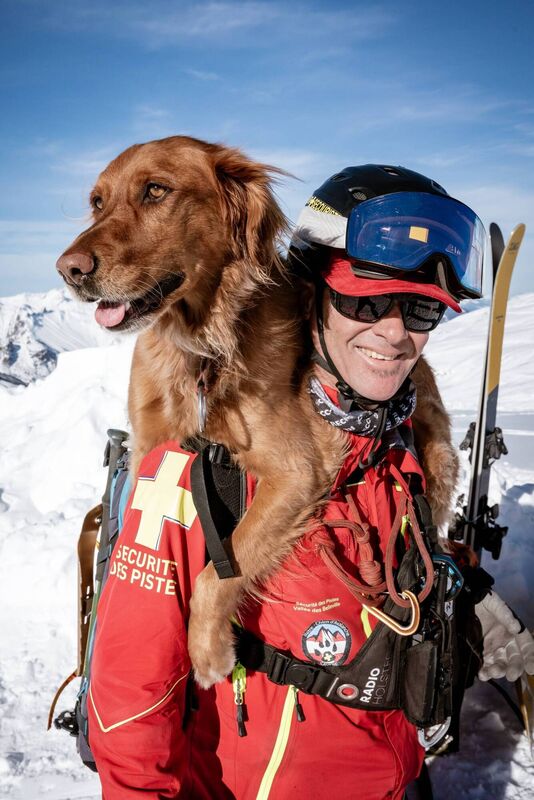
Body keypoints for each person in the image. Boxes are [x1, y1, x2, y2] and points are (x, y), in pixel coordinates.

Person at [87, 165, 534, 800]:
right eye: (365, 299)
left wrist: (459, 601)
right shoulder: (207, 465)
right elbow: (128, 703)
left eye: (421, 308)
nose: (394, 331)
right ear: (312, 295)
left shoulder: (400, 450)